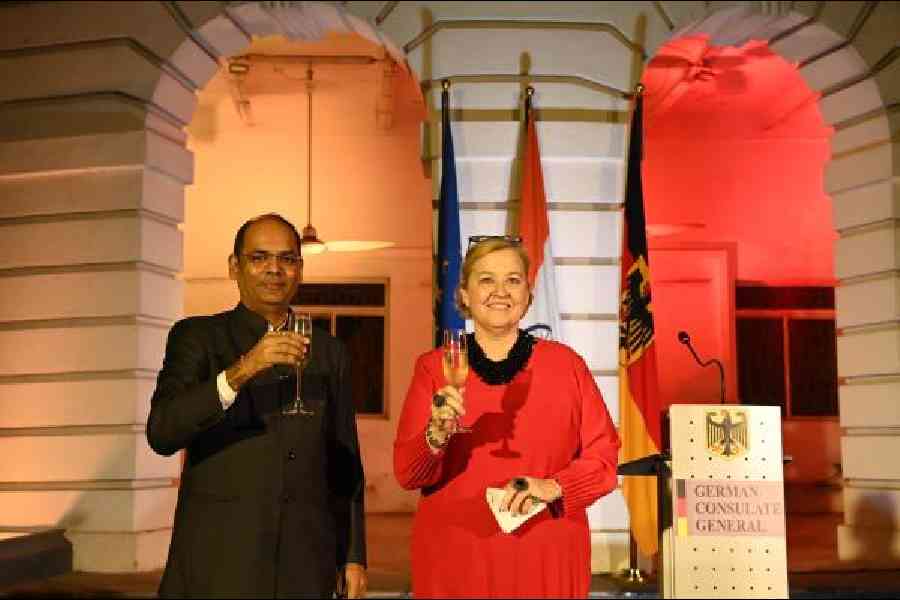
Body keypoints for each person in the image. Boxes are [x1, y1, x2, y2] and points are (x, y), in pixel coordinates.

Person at [147, 213, 367, 598]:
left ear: (299, 269)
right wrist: (244, 369)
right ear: (235, 267)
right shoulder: (199, 337)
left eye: (287, 259)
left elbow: (345, 460)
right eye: (259, 258)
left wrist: (353, 556)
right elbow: (163, 431)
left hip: (305, 566)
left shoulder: (329, 352)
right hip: (219, 564)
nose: (274, 270)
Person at [393, 237, 621, 598]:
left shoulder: (567, 365)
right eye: (486, 280)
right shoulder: (434, 368)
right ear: (464, 294)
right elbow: (407, 473)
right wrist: (435, 436)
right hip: (457, 557)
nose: (500, 291)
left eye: (513, 280)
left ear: (528, 295)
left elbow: (604, 460)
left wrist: (554, 487)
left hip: (546, 553)